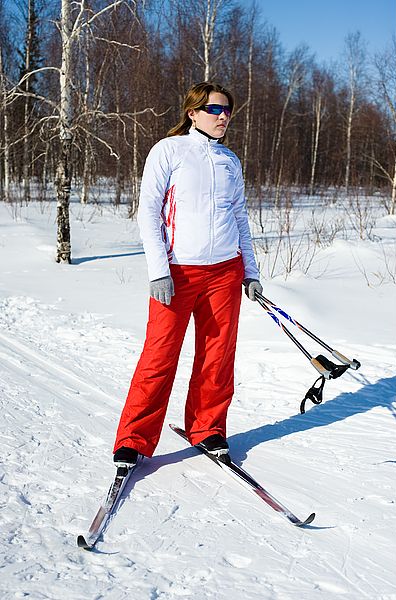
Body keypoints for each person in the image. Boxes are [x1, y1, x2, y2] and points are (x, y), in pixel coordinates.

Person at [113, 81, 262, 468]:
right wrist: (159, 270)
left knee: (217, 356)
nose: (223, 116)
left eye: (227, 110)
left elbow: (240, 218)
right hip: (178, 272)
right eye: (214, 109)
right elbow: (148, 212)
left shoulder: (230, 160)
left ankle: (208, 429)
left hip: (225, 273)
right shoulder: (169, 150)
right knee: (159, 356)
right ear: (192, 112)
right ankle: (133, 439)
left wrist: (250, 271)